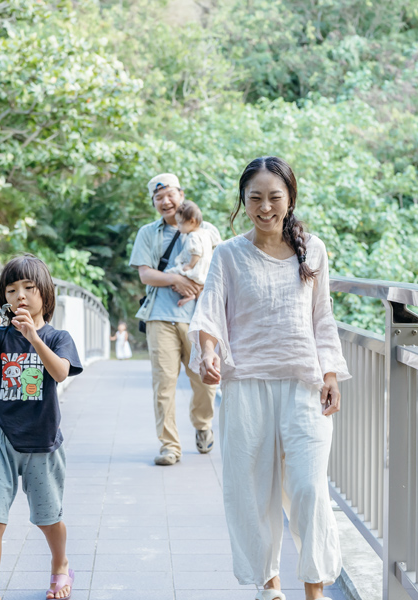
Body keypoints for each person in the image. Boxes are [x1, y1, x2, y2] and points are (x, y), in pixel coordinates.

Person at [188, 156, 351, 600]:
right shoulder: (228, 254)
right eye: (255, 198)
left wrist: (331, 374)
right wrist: (207, 353)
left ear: (290, 199)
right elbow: (209, 314)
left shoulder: (312, 249)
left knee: (308, 488)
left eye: (274, 197)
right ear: (243, 202)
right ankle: (270, 584)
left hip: (304, 384)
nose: (265, 207)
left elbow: (323, 318)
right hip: (247, 387)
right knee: (252, 490)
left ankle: (314, 589)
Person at [0, 254, 83, 600]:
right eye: (11, 290)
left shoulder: (58, 336)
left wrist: (33, 337)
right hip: (0, 434)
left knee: (48, 517)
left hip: (42, 440)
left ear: (45, 293)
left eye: (29, 288)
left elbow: (60, 372)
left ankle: (60, 564)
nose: (20, 296)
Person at [129, 173, 222, 466]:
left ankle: (203, 423)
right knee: (164, 385)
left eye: (170, 194)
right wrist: (178, 280)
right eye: (159, 197)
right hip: (161, 317)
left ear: (181, 195)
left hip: (199, 321)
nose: (166, 201)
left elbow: (221, 272)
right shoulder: (148, 233)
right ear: (154, 202)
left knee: (205, 382)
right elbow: (145, 274)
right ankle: (170, 446)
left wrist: (199, 286)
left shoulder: (207, 230)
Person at [167, 200, 215, 307]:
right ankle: (194, 297)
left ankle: (188, 295)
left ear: (192, 221)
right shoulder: (206, 233)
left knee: (173, 273)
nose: (178, 226)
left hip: (196, 268)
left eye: (180, 223)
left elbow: (196, 253)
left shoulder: (193, 236)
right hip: (205, 269)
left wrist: (189, 265)